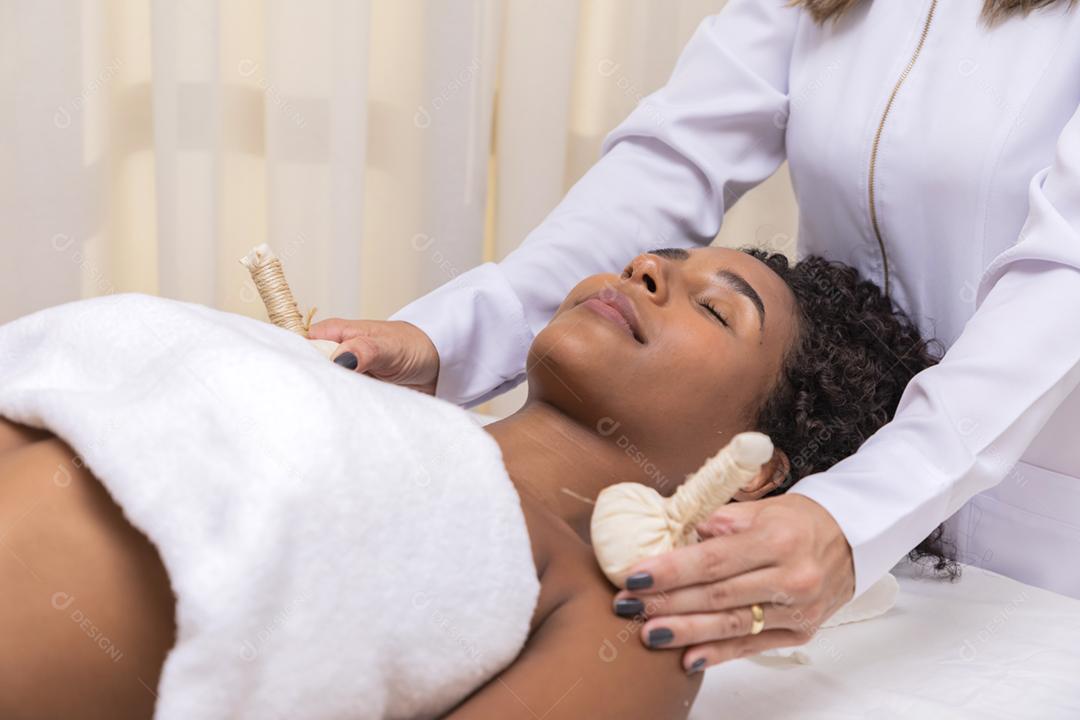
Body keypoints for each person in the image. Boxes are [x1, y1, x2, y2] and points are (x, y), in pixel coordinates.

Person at [311, 0, 1080, 670]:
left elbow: (1063, 277)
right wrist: (452, 334)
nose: (644, 271)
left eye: (719, 310)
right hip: (814, 481)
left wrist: (859, 515)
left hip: (1036, 538)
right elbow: (674, 157)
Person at [0, 247, 940, 719]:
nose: (650, 268)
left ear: (759, 469)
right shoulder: (364, 405)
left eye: (714, 308)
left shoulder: (634, 610)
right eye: (664, 258)